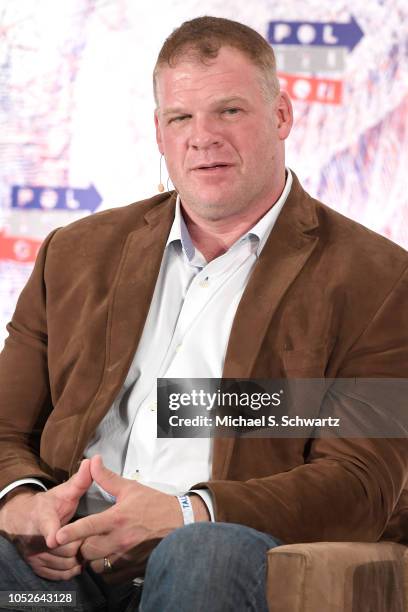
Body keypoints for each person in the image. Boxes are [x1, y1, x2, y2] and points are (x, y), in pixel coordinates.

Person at [0, 15, 407, 612]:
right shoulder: (74, 253)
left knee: (199, 554)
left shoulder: (379, 278)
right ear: (160, 132)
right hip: (59, 581)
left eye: (230, 111)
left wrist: (187, 512)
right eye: (181, 117)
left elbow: (361, 480)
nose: (203, 137)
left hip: (219, 556)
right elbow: (6, 427)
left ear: (282, 117)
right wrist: (22, 501)